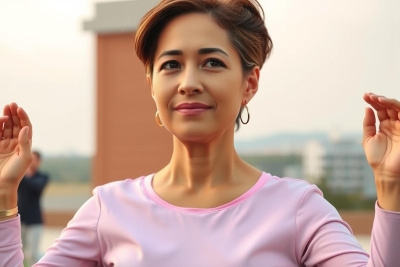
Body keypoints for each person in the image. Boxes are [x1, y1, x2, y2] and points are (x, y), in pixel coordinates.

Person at [0, 0, 400, 266]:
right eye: (171, 65)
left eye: (211, 62)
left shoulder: (299, 209)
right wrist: (3, 197)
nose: (188, 82)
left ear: (250, 82)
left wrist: (390, 184)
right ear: (152, 84)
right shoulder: (108, 209)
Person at [18, 150, 49, 266]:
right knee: (18, 253)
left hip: (35, 220)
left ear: (39, 162)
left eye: (33, 159)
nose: (31, 162)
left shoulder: (42, 177)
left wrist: (20, 173)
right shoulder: (20, 178)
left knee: (32, 254)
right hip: (20, 219)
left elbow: (36, 187)